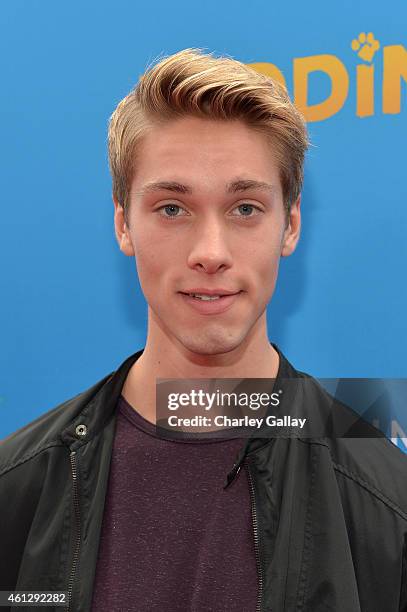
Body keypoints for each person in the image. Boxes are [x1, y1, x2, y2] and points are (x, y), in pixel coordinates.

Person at [0, 47, 406, 612]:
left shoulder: (388, 501)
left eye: (244, 209)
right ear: (124, 223)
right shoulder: (16, 488)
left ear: (289, 227)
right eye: (172, 208)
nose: (210, 253)